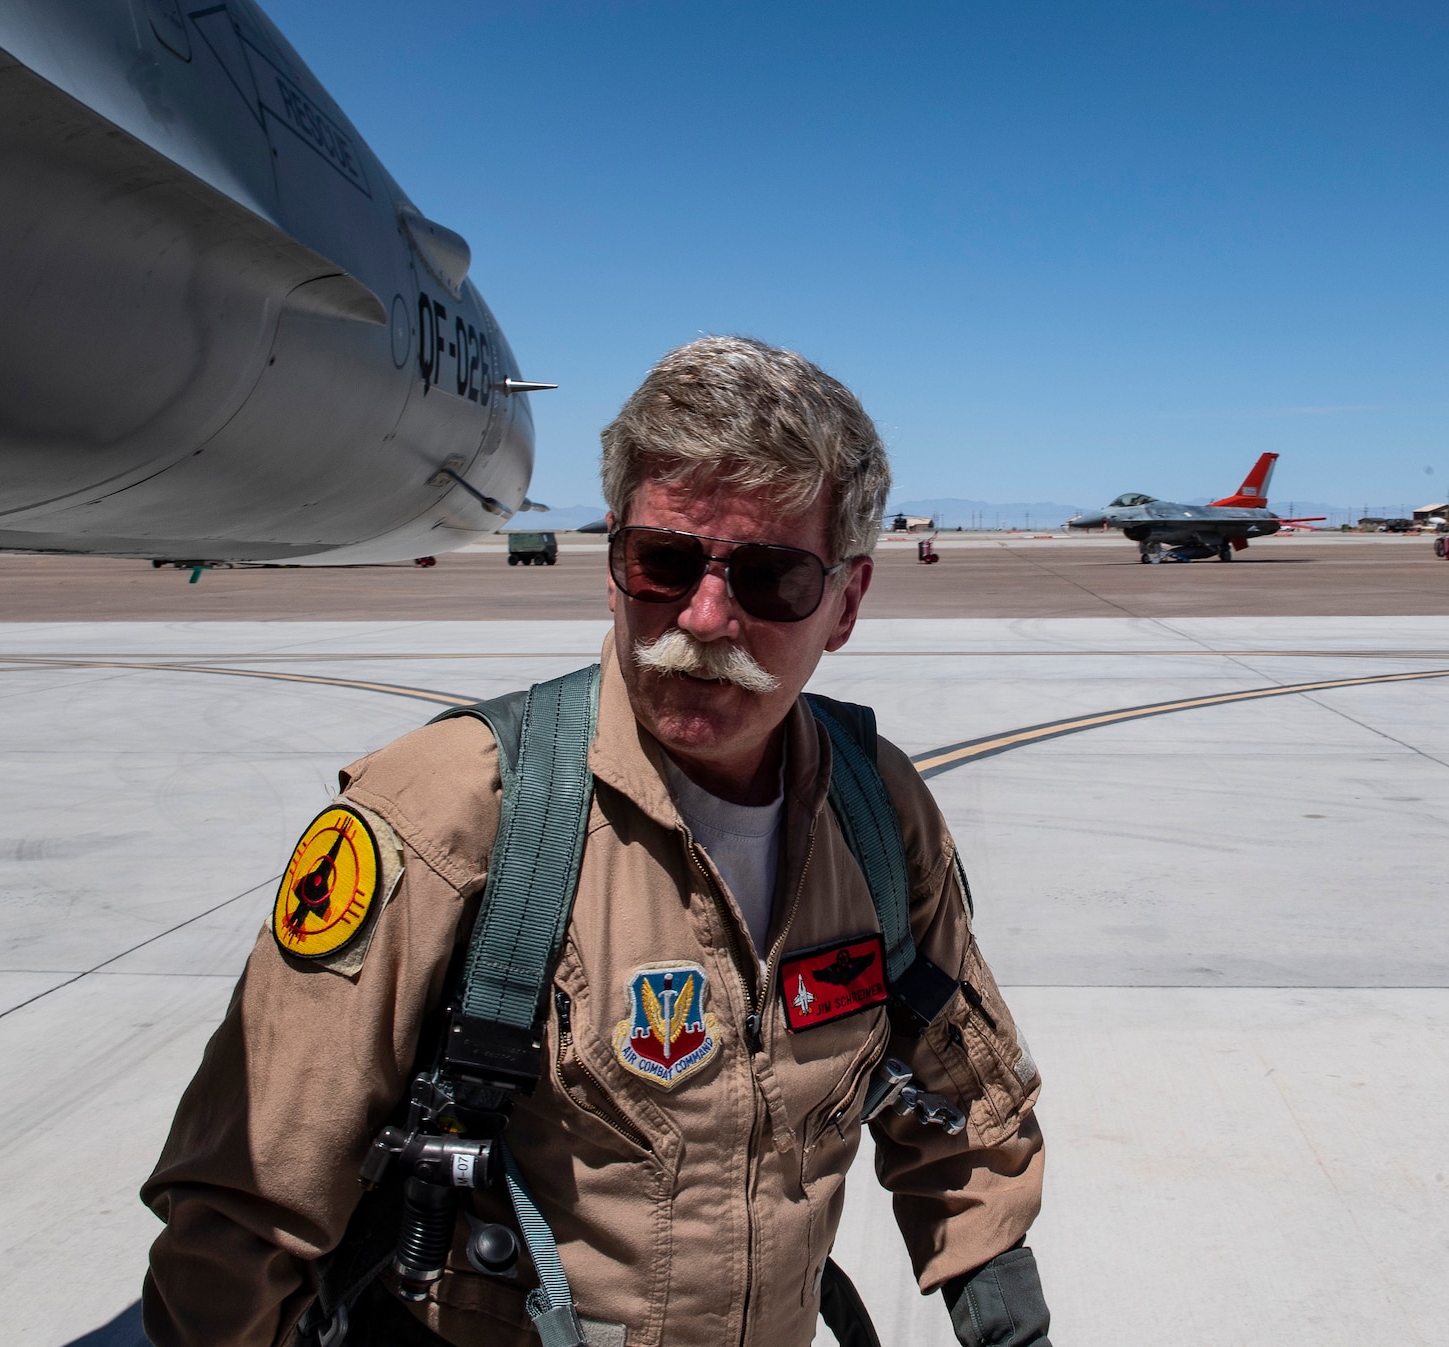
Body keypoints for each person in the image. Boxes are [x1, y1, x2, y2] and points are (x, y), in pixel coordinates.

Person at [140, 337, 1051, 1347]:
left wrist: (1004, 1319)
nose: (702, 618)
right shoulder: (450, 813)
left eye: (769, 579)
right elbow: (244, 1213)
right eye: (662, 562)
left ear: (843, 602)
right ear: (613, 564)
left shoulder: (876, 815)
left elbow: (961, 1104)